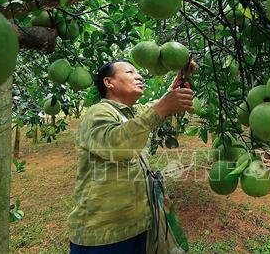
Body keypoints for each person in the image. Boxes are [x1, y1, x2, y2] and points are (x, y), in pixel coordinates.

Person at [68, 59, 194, 254]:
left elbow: (156, 107)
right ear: (109, 82)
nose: (139, 76)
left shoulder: (131, 113)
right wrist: (162, 108)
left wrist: (180, 80)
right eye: (130, 72)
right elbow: (117, 144)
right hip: (105, 235)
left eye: (138, 73)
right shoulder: (98, 113)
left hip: (138, 226)